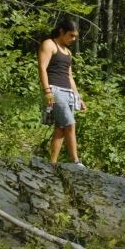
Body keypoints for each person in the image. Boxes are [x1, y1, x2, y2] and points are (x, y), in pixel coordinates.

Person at [37, 18, 86, 167]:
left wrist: (79, 97)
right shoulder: (49, 44)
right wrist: (47, 91)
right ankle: (76, 161)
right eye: (71, 35)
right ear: (61, 31)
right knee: (70, 124)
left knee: (61, 128)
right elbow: (42, 68)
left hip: (68, 92)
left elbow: (70, 76)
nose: (74, 38)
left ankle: (52, 163)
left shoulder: (68, 51)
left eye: (75, 36)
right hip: (54, 90)